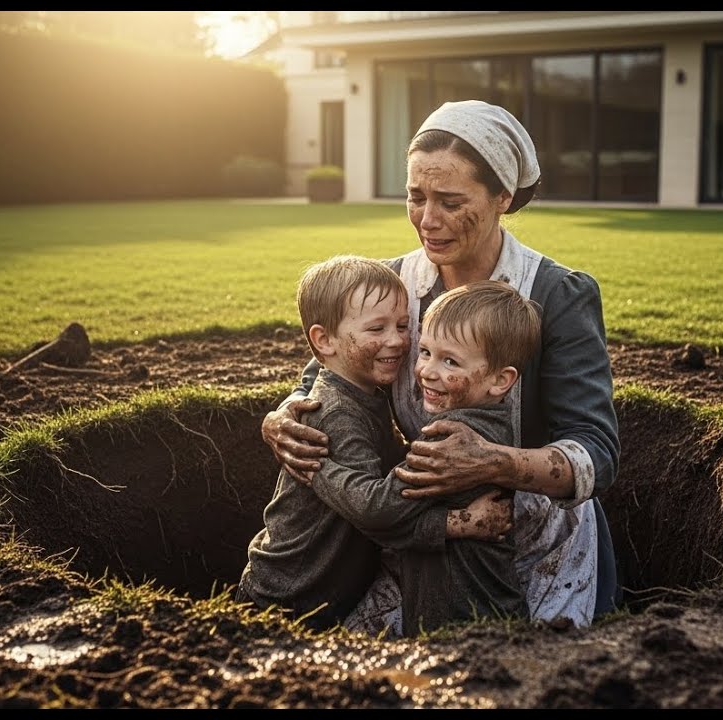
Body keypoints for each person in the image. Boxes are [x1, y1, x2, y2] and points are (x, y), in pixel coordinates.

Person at [262, 99, 622, 628]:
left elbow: (598, 453)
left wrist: (494, 462)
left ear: (503, 197)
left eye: (451, 201)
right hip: (421, 528)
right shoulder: (391, 284)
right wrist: (285, 411)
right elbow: (326, 373)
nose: (427, 221)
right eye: (415, 197)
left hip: (534, 536)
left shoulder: (557, 294)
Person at [234, 254, 510, 631]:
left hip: (325, 593)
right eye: (376, 329)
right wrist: (455, 522)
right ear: (323, 340)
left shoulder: (366, 391)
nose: (396, 341)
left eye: (401, 325)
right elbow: (376, 511)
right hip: (286, 600)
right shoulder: (333, 413)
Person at [311, 279, 541, 633]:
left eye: (450, 362)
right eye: (426, 352)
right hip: (483, 617)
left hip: (469, 626)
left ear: (501, 380)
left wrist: (318, 468)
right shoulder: (493, 420)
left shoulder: (450, 443)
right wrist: (455, 522)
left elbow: (377, 510)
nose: (427, 372)